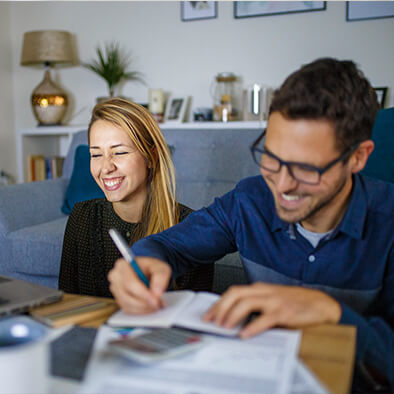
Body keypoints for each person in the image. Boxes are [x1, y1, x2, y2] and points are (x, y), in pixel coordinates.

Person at [108, 59, 393, 390]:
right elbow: (168, 245)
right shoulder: (249, 200)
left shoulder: (387, 223)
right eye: (271, 158)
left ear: (357, 157)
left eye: (305, 169)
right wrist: (145, 261)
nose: (282, 186)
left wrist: (330, 312)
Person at [58, 98, 214, 298]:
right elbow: (67, 303)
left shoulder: (190, 229)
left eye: (120, 152)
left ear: (151, 157)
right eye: (96, 155)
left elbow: (191, 317)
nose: (106, 168)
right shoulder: (81, 216)